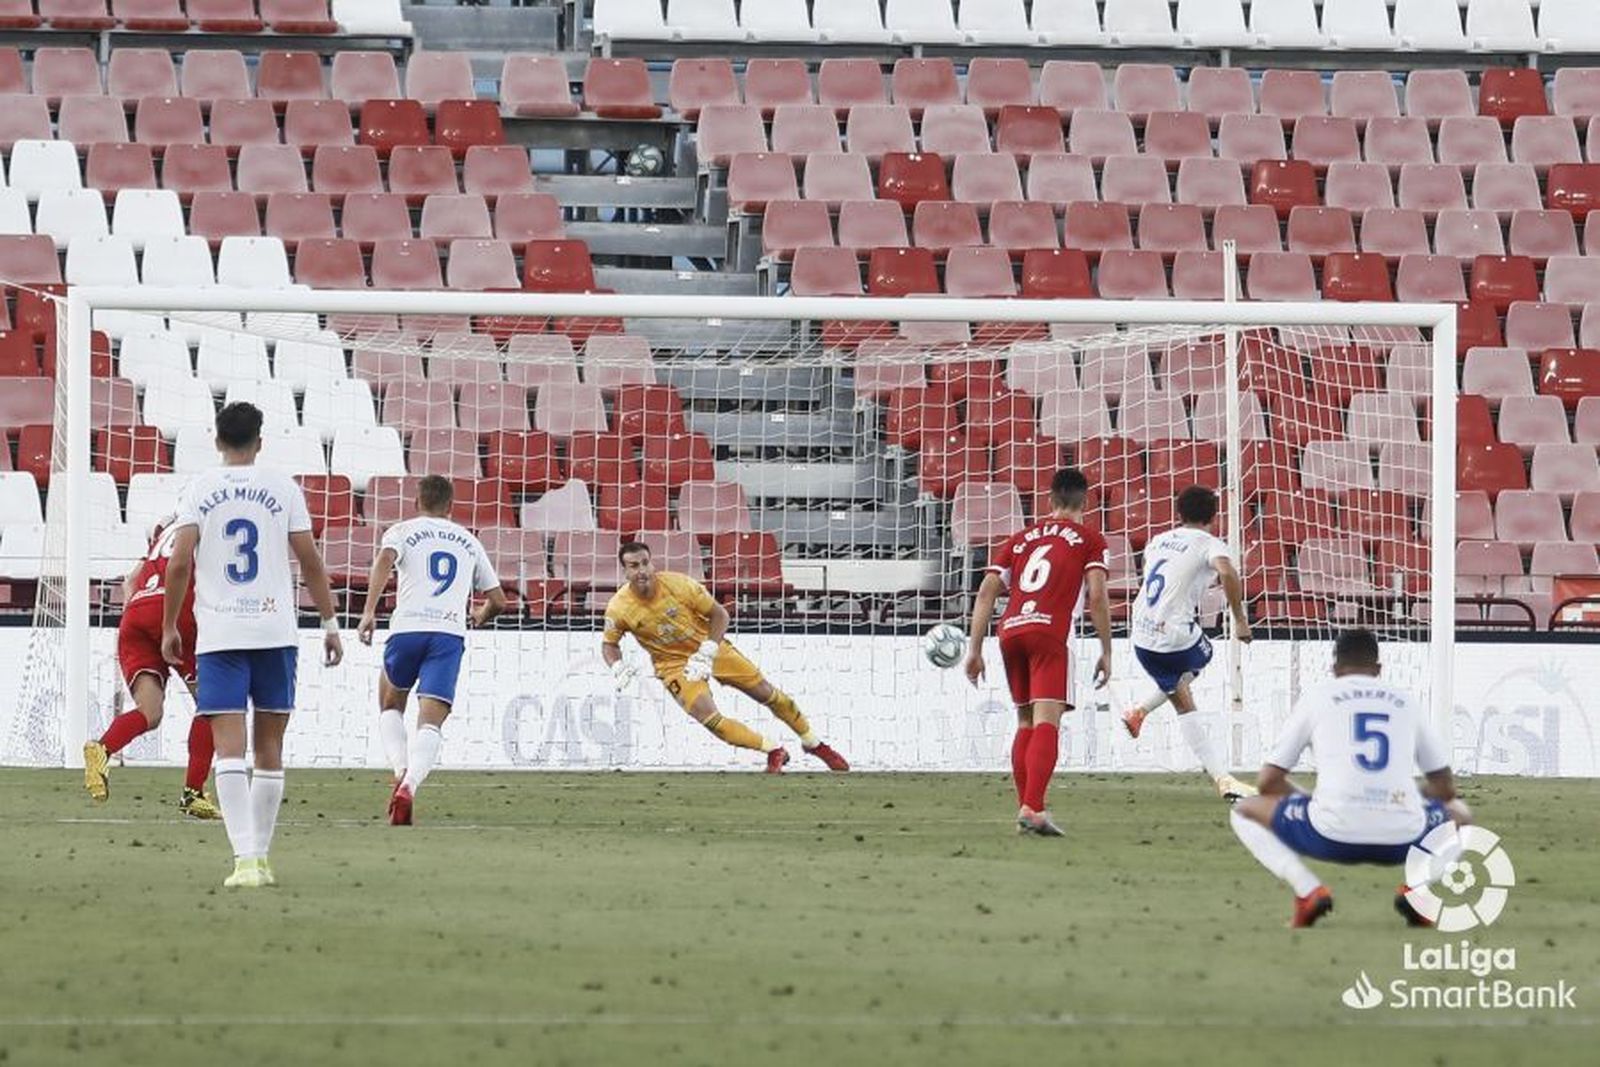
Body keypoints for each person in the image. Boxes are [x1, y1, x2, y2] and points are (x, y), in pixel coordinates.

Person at [162, 402, 343, 889]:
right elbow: (310, 560)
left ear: (217, 441)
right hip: (274, 631)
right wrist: (329, 623)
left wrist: (169, 627)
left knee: (229, 750)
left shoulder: (199, 488)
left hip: (220, 635)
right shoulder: (283, 488)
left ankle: (244, 860)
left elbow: (178, 564)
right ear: (260, 442)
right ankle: (260, 857)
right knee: (270, 749)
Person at [1229, 628, 1472, 928]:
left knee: (1244, 810)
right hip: (1402, 837)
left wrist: (1305, 798)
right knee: (1461, 815)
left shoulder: (1318, 697)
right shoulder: (1406, 701)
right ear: (1379, 669)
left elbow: (1267, 782)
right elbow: (1445, 788)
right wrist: (1404, 799)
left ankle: (1308, 890)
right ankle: (1416, 890)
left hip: (1330, 834)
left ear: (1334, 669)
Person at [601, 541, 849, 773]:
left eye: (645, 563)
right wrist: (617, 666)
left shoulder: (679, 585)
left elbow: (720, 615)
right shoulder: (619, 607)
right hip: (673, 665)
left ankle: (814, 743)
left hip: (709, 648)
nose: (642, 570)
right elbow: (609, 644)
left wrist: (708, 650)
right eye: (634, 566)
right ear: (625, 572)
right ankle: (773, 750)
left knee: (767, 693)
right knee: (710, 720)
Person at [964, 468, 1113, 837]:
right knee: (1048, 722)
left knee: (1026, 722)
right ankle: (1034, 809)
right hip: (1050, 633)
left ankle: (1026, 808)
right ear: (1086, 500)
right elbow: (1096, 596)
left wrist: (975, 649)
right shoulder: (1090, 539)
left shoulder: (1018, 539)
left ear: (1049, 501)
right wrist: (1107, 650)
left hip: (1010, 631)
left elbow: (985, 593)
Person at [357, 475, 506, 825]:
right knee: (431, 721)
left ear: (416, 503)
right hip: (447, 635)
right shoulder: (469, 541)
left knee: (390, 703)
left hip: (407, 629)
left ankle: (400, 770)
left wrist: (367, 612)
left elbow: (383, 561)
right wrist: (480, 616)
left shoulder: (403, 530)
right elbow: (498, 599)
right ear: (451, 507)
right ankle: (409, 786)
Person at [1121, 485, 1257, 802]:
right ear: (1214, 516)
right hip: (1175, 637)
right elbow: (1227, 571)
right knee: (1202, 657)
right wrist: (1239, 619)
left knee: (1182, 698)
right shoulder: (1210, 543)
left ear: (1178, 513)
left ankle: (1140, 712)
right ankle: (1223, 780)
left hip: (1140, 634)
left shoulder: (1157, 541)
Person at [82, 516, 219, 819]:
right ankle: (193, 793)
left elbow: (131, 582)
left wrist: (145, 613)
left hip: (136, 615)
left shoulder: (162, 535)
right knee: (212, 704)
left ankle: (102, 749)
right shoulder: (206, 524)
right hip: (177, 612)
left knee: (150, 712)